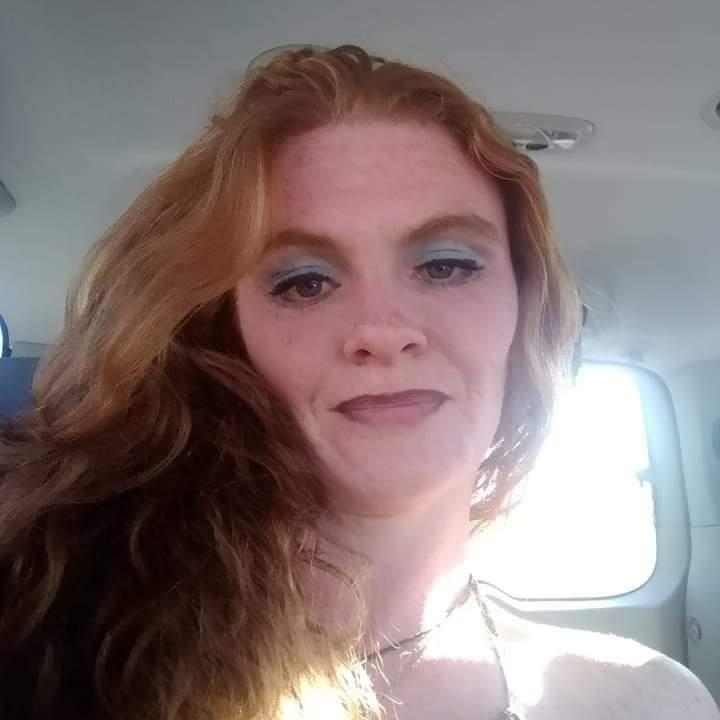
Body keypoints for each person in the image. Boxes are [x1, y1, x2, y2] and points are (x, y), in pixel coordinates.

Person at [0, 44, 716, 720]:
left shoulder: (651, 700)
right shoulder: (42, 639)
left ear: (524, 311)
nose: (382, 328)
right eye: (305, 282)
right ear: (224, 333)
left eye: (446, 265)